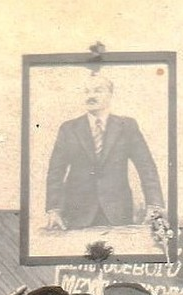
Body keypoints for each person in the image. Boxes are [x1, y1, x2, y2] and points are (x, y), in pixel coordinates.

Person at [45, 72, 165, 230]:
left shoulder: (127, 126)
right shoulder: (69, 129)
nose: (91, 96)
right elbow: (55, 171)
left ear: (110, 94)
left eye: (97, 90)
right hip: (76, 212)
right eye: (86, 91)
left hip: (117, 212)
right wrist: (54, 210)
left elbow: (146, 167)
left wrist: (154, 205)